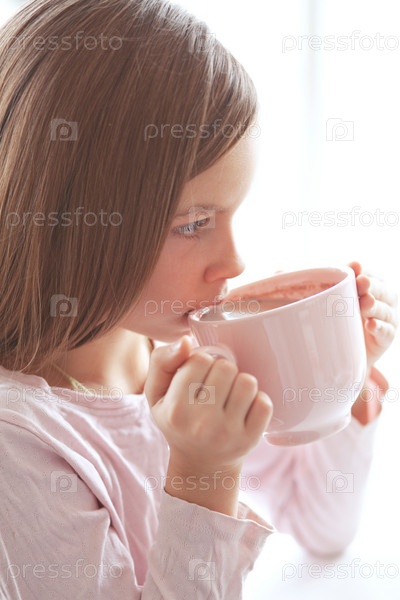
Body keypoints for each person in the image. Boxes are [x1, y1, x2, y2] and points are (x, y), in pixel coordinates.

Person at [0, 0, 397, 598]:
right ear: (74, 221)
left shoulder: (182, 349)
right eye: (193, 224)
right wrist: (204, 471)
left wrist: (342, 381)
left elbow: (323, 527)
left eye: (233, 214)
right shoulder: (20, 441)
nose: (234, 263)